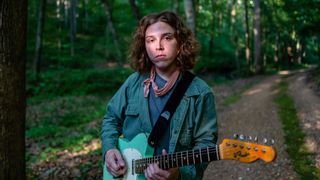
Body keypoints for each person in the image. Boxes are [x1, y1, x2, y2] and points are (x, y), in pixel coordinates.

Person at [101, 11, 217, 180]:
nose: (158, 46)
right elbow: (111, 118)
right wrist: (110, 149)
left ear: (180, 43)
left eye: (167, 38)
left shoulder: (200, 92)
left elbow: (206, 144)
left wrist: (179, 173)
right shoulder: (133, 83)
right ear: (144, 46)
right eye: (151, 40)